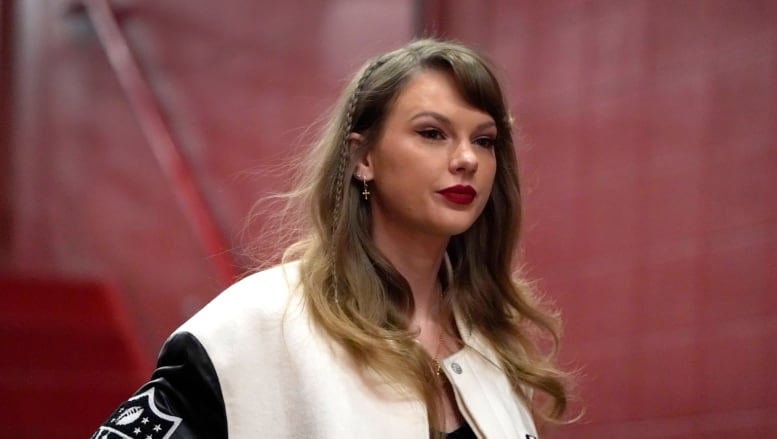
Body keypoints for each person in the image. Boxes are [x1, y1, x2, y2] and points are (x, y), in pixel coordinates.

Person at [92, 38, 572, 439]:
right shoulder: (258, 325)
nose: (466, 158)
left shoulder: (494, 344)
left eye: (484, 140)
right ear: (363, 157)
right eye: (432, 133)